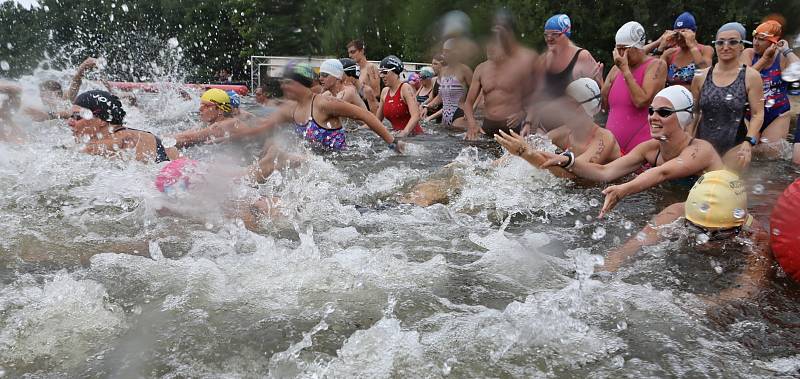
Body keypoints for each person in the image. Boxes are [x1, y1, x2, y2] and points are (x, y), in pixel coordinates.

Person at [535, 85, 723, 217]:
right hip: (683, 212)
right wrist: (568, 161)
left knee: (669, 214)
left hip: (717, 211)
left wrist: (624, 190)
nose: (653, 117)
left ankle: (613, 262)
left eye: (663, 112)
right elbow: (604, 171)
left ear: (682, 116)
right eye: (651, 111)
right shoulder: (650, 149)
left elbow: (663, 172)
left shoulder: (700, 149)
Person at [601, 170, 772, 303]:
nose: (707, 242)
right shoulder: (674, 214)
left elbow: (749, 288)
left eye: (721, 234)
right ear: (687, 218)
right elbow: (623, 252)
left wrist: (707, 303)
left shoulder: (756, 236)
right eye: (697, 230)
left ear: (739, 225)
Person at [216, 62, 403, 153]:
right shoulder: (290, 109)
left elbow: (365, 115)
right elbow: (262, 128)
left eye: (287, 82)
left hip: (342, 162)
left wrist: (392, 143)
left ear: (301, 83)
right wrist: (230, 137)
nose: (283, 87)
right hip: (317, 162)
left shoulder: (323, 103)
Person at [495, 78, 620, 178]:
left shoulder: (604, 139)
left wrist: (526, 154)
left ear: (587, 108)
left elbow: (575, 177)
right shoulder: (564, 133)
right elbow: (535, 144)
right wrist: (496, 166)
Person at [689, 22, 764, 171]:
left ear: (742, 46)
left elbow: (758, 113)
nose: (725, 46)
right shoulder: (701, 76)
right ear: (715, 45)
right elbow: (694, 112)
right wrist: (688, 140)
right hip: (703, 145)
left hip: (735, 147)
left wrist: (748, 142)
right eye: (720, 42)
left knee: (727, 189)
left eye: (733, 42)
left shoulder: (751, 76)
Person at [463, 10, 540, 139]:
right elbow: (468, 103)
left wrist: (523, 114)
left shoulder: (519, 67)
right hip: (488, 126)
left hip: (514, 127)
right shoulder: (481, 69)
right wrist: (472, 123)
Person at [602, 21, 667, 153]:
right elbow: (604, 106)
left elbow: (641, 101)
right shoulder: (616, 69)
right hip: (612, 148)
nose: (620, 54)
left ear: (637, 47)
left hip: (641, 148)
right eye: (617, 48)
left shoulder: (656, 65)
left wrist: (626, 71)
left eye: (624, 49)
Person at [68, 90, 178, 163]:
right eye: (70, 116)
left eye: (78, 117)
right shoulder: (139, 134)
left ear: (102, 120)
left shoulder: (106, 144)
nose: (70, 122)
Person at [742, 20, 799, 156]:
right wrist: (764, 60)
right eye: (755, 38)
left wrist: (787, 50)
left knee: (772, 154)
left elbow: (798, 70)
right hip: (751, 112)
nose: (756, 42)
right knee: (746, 150)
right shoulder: (749, 53)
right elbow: (741, 79)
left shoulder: (782, 57)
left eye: (761, 39)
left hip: (777, 113)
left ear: (773, 42)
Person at [539, 14, 604, 98]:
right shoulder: (543, 60)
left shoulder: (582, 56)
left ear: (566, 34)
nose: (549, 39)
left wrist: (598, 84)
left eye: (555, 34)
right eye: (546, 35)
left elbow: (601, 94)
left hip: (576, 111)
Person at [646, 12, 714, 88]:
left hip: (694, 97)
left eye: (683, 34)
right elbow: (652, 74)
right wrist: (660, 47)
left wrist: (692, 46)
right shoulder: (670, 53)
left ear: (693, 33)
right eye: (676, 34)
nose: (679, 38)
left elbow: (706, 73)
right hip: (671, 97)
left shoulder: (705, 50)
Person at [24, 57, 97, 121]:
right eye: (41, 94)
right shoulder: (41, 105)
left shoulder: (66, 101)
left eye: (44, 94)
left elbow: (76, 82)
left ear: (56, 94)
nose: (41, 97)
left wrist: (82, 67)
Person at [424, 39, 473, 128]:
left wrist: (471, 110)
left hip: (460, 114)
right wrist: (426, 106)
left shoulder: (464, 70)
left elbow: (478, 92)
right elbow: (441, 96)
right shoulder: (443, 71)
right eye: (444, 51)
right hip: (445, 116)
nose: (444, 54)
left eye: (448, 51)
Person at [173, 89, 243, 148]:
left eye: (206, 106)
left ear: (220, 110)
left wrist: (165, 141)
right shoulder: (209, 123)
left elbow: (188, 138)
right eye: (201, 105)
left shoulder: (226, 124)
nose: (200, 109)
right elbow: (186, 134)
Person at [376, 55, 423, 137]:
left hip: (415, 137)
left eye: (385, 72)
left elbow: (416, 116)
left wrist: (404, 133)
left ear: (395, 71)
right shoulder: (384, 92)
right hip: (397, 136)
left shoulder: (405, 88)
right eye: (381, 72)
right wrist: (360, 128)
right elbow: (377, 121)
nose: (382, 76)